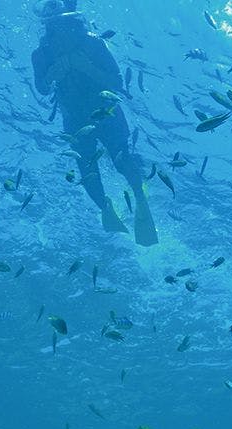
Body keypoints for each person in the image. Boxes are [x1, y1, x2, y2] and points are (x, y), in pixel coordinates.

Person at [31, 0, 158, 246]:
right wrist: (50, 76)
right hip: (74, 118)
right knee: (87, 169)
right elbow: (42, 88)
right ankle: (105, 206)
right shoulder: (41, 54)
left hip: (106, 111)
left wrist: (85, 67)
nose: (58, 27)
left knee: (122, 159)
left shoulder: (93, 42)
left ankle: (140, 198)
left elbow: (117, 83)